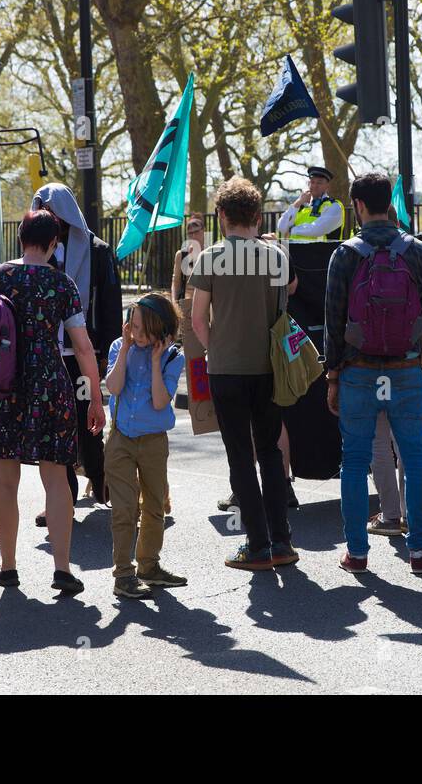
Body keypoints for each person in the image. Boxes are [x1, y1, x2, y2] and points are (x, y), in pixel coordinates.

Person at [0, 209, 106, 595]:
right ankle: (62, 569)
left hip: (1, 383)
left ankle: (8, 565)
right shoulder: (63, 285)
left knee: (5, 479)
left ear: (21, 238)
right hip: (48, 383)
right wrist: (95, 395)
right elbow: (82, 346)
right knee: (56, 477)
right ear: (54, 244)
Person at [324, 173, 422, 574]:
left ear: (357, 205)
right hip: (407, 368)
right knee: (414, 458)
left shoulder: (344, 254)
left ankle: (357, 553)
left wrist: (333, 377)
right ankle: (420, 551)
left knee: (355, 462)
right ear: (387, 203)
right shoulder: (417, 251)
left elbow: (333, 323)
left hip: (358, 372)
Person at [190, 177, 297, 572]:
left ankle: (256, 543)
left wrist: (215, 346)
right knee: (269, 450)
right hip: (269, 367)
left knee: (240, 455)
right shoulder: (275, 256)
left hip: (226, 368)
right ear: (256, 214)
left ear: (221, 215)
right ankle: (282, 539)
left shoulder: (211, 258)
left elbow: (198, 318)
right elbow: (283, 307)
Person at [31, 184, 123, 508]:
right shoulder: (38, 253)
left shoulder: (97, 250)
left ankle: (100, 481)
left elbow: (111, 305)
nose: (49, 217)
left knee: (88, 422)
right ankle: (62, 497)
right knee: (56, 427)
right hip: (47, 356)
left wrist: (108, 354)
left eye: (53, 211)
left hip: (85, 353)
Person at [102, 293, 187, 599]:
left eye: (143, 330)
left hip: (153, 442)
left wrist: (154, 362)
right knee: (124, 508)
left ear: (162, 331)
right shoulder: (119, 346)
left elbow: (161, 400)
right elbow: (112, 387)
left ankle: (149, 567)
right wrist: (125, 348)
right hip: (121, 439)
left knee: (154, 506)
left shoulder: (172, 357)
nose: (136, 334)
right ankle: (123, 574)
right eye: (133, 326)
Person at [276, 165, 344, 242]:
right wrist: (297, 203)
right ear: (308, 184)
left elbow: (317, 229)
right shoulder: (300, 206)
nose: (315, 186)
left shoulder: (334, 206)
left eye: (319, 183)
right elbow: (281, 227)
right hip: (295, 252)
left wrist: (292, 230)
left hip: (322, 253)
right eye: (312, 182)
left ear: (327, 186)